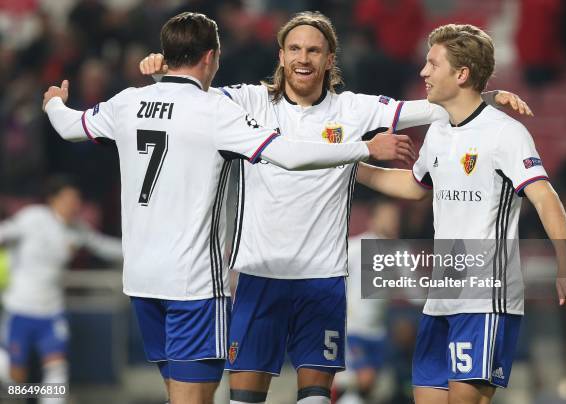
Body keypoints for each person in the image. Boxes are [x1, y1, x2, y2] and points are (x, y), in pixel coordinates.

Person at [140, 12, 534, 404]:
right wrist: (164, 75)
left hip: (322, 279)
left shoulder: (353, 109)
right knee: (243, 399)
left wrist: (485, 98)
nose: (303, 58)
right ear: (281, 55)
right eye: (294, 48)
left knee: (316, 397)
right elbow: (191, 100)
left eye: (314, 50)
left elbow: (429, 107)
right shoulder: (248, 101)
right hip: (259, 275)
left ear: (330, 59)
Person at [42, 12, 409, 404]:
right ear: (211, 57)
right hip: (194, 282)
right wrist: (364, 149)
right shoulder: (217, 112)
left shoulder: (128, 102)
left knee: (179, 393)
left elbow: (68, 125)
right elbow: (287, 154)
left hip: (141, 280)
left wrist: (53, 103)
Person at [357, 23, 566, 404]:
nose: (423, 73)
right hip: (441, 297)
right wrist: (350, 164)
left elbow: (545, 198)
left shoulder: (505, 133)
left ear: (461, 74)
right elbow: (414, 188)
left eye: (433, 64)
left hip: (485, 297)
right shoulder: (438, 131)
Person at [0, 175, 122, 404]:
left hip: (52, 311)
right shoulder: (33, 218)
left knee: (57, 372)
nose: (74, 204)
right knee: (15, 377)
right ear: (53, 199)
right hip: (20, 308)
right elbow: (5, 231)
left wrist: (139, 252)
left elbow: (103, 246)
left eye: (77, 199)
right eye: (69, 199)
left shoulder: (77, 229)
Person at [335, 199, 400, 404]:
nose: (392, 222)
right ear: (373, 220)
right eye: (387, 217)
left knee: (371, 386)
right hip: (354, 329)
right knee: (364, 378)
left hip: (378, 331)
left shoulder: (398, 252)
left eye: (395, 218)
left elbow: (415, 291)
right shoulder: (357, 247)